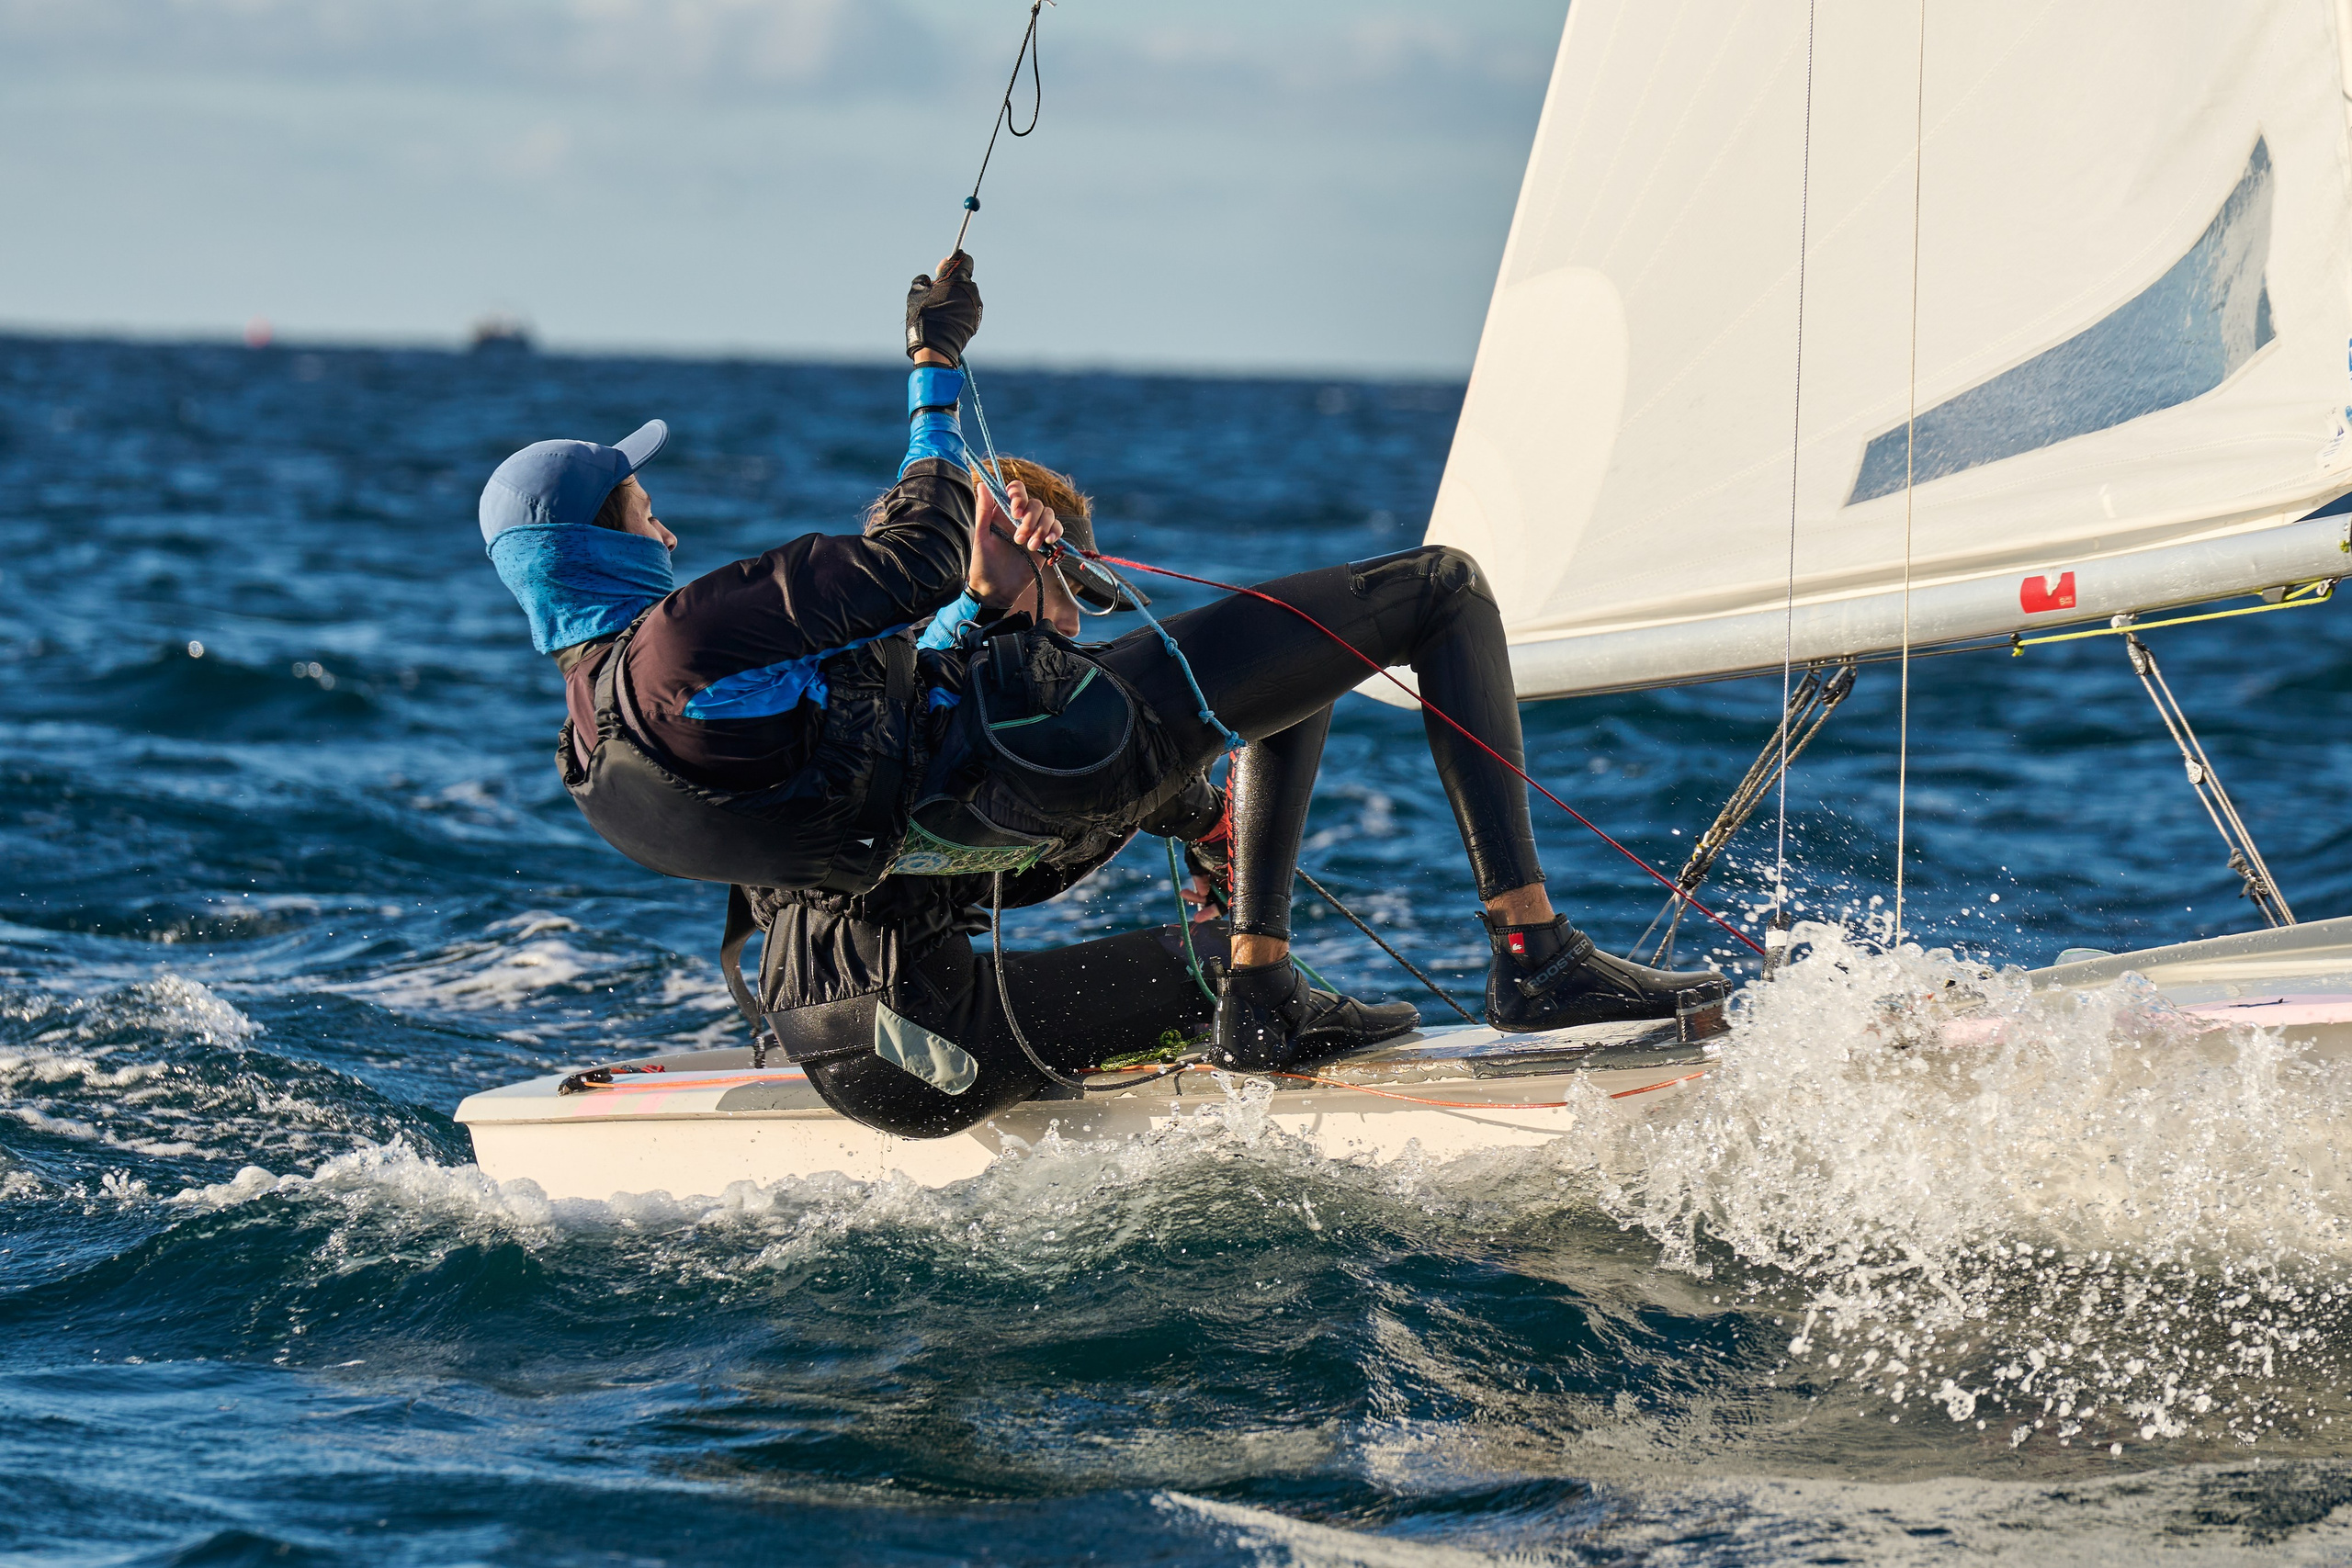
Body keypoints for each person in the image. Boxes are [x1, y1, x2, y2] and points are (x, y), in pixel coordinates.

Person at [481, 252, 1726, 1138]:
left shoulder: (599, 739)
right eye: (640, 503)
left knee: (1280, 674)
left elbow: (858, 739)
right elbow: (910, 555)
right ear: (600, 539)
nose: (665, 515)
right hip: (969, 948)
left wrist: (980, 605)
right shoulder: (683, 637)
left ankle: (1267, 983)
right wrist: (933, 365)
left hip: (843, 1047)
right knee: (1439, 590)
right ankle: (1528, 955)